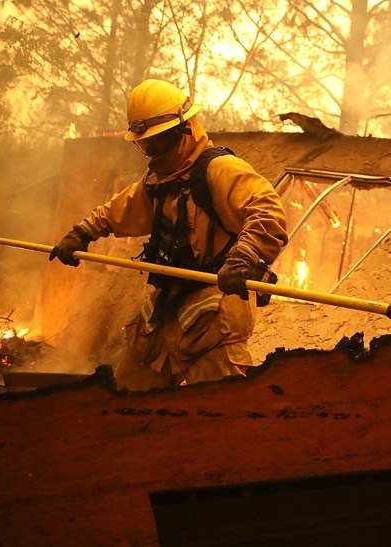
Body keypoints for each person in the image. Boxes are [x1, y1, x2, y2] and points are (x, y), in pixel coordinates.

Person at [50, 79, 288, 391]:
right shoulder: (160, 180)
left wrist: (243, 257)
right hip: (164, 317)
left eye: (157, 143)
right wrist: (83, 232)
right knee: (125, 405)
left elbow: (267, 210)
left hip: (214, 319)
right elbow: (122, 207)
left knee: (225, 416)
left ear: (183, 130)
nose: (151, 153)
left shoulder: (219, 169)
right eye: (145, 145)